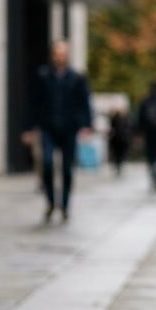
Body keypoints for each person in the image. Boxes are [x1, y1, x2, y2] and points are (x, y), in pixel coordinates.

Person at [24, 40, 92, 222]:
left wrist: (86, 126)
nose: (60, 56)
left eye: (63, 53)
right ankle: (51, 201)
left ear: (67, 55)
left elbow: (84, 103)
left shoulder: (76, 78)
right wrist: (29, 128)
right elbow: (33, 103)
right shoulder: (42, 75)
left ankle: (65, 204)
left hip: (69, 129)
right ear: (52, 55)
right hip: (47, 127)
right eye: (57, 53)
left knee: (67, 168)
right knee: (46, 163)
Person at [107, 108, 131, 177]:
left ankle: (119, 165)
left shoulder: (124, 119)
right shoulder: (116, 119)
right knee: (118, 153)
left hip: (120, 139)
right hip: (118, 139)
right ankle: (118, 165)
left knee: (119, 153)